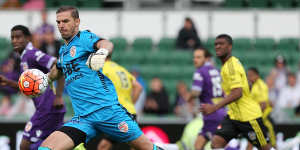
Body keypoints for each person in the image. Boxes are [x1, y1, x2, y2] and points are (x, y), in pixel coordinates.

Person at [39, 6, 163, 150]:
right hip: (83, 119)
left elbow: (107, 44)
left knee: (147, 148)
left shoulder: (84, 38)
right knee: (45, 148)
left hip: (107, 112)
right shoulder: (63, 51)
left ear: (77, 21)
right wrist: (45, 80)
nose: (61, 25)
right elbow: (57, 70)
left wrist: (101, 52)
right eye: (58, 22)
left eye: (65, 21)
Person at [200, 34, 273, 150]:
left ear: (229, 47)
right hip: (234, 116)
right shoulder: (231, 64)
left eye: (221, 44)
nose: (217, 46)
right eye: (216, 44)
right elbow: (246, 85)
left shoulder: (230, 66)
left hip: (249, 117)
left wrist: (214, 108)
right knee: (216, 143)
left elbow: (237, 92)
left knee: (265, 148)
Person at [0, 25, 66, 150]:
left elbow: (59, 65)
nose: (15, 40)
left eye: (18, 37)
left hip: (47, 108)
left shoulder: (32, 54)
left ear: (28, 38)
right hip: (47, 108)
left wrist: (58, 96)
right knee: (55, 144)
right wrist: (7, 82)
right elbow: (27, 88)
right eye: (12, 37)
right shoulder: (24, 57)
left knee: (24, 145)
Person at [97, 47, 143, 150]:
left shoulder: (103, 68)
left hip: (118, 113)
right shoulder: (120, 68)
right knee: (136, 145)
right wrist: (130, 103)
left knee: (103, 146)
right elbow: (138, 87)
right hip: (130, 111)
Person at [187, 48, 226, 150]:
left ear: (207, 58)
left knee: (212, 145)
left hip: (211, 114)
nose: (195, 60)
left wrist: (189, 97)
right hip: (221, 112)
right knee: (198, 145)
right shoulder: (217, 71)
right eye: (194, 57)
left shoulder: (200, 72)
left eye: (199, 57)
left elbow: (196, 92)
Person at [247, 67, 276, 149]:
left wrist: (256, 118)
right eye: (248, 75)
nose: (249, 77)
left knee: (266, 139)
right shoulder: (250, 85)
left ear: (257, 76)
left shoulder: (261, 86)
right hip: (253, 116)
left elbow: (263, 105)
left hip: (261, 117)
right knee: (252, 140)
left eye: (251, 75)